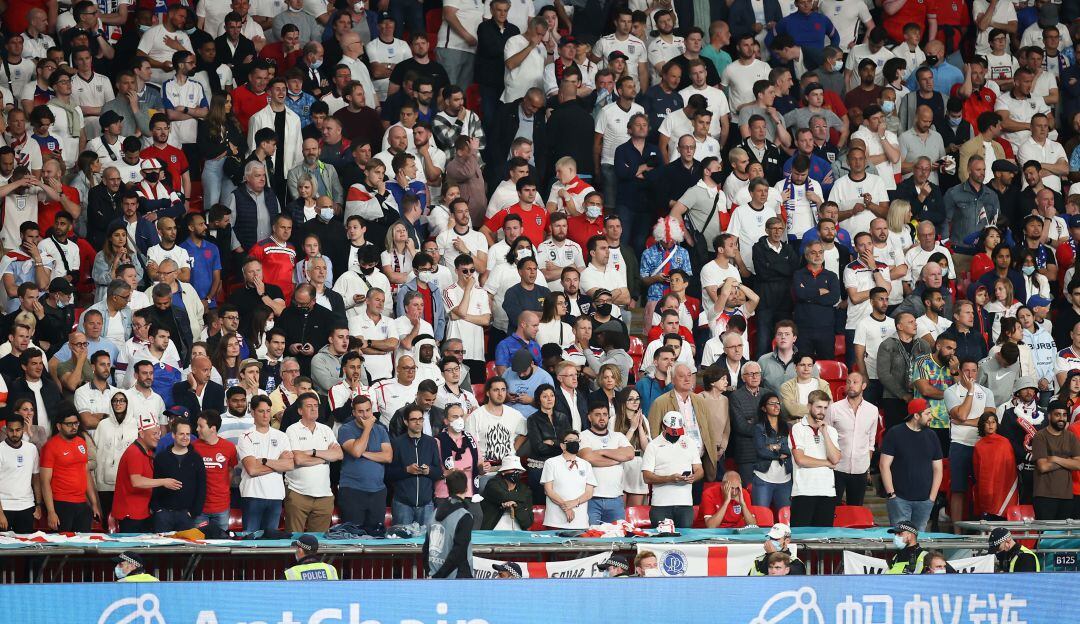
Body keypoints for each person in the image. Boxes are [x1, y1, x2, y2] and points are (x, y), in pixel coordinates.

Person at [880, 398, 944, 532]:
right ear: (916, 415)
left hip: (925, 500)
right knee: (900, 540)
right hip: (899, 499)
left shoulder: (932, 436)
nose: (931, 417)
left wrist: (932, 497)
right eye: (927, 413)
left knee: (918, 541)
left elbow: (938, 468)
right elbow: (884, 465)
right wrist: (891, 494)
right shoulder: (895, 433)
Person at [283, 393, 342, 532]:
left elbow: (339, 454)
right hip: (298, 493)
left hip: (324, 495)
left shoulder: (326, 430)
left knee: (319, 544)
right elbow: (298, 459)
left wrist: (313, 452)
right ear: (300, 411)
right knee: (294, 541)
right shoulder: (292, 430)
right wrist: (326, 457)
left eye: (316, 406)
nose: (314, 409)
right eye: (309, 406)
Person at [237, 395, 294, 532]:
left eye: (268, 411)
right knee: (250, 542)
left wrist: (264, 461)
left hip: (275, 495)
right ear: (252, 412)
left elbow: (289, 465)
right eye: (261, 411)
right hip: (252, 494)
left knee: (271, 543)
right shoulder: (245, 436)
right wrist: (278, 464)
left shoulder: (282, 436)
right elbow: (252, 469)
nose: (265, 415)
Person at [338, 395, 393, 533]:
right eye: (360, 411)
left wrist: (365, 454)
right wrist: (367, 428)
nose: (365, 415)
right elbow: (356, 451)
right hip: (352, 490)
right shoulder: (346, 429)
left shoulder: (380, 430)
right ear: (354, 413)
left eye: (368, 410)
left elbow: (388, 456)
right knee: (353, 536)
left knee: (377, 536)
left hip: (378, 491)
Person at [40, 409, 101, 532]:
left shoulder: (81, 443)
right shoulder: (50, 446)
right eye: (69, 424)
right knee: (62, 548)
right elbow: (44, 482)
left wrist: (94, 503)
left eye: (76, 423)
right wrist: (51, 511)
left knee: (84, 546)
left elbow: (85, 473)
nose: (74, 427)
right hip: (61, 504)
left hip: (82, 503)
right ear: (58, 426)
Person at [789, 390, 841, 527]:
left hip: (827, 492)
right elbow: (800, 459)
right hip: (804, 491)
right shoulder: (797, 428)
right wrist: (826, 463)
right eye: (818, 407)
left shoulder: (831, 431)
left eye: (825, 408)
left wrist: (825, 433)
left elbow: (835, 459)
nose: (822, 411)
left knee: (824, 541)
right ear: (809, 406)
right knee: (800, 540)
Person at [825, 371, 877, 507]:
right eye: (848, 382)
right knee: (831, 510)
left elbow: (871, 443)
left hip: (860, 470)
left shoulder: (872, 410)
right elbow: (825, 436)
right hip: (836, 468)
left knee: (855, 510)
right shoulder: (834, 409)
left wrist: (867, 469)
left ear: (863, 386)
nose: (850, 385)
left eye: (855, 382)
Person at [642, 412, 702, 528]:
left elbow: (699, 469)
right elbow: (646, 476)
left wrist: (694, 477)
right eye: (672, 433)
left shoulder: (690, 442)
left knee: (685, 541)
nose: (675, 436)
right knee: (662, 540)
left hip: (685, 503)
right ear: (663, 427)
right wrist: (669, 478)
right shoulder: (653, 446)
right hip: (661, 504)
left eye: (678, 432)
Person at [388, 403, 443, 527]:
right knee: (401, 544)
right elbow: (388, 473)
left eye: (420, 419)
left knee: (426, 544)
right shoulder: (397, 443)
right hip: (402, 504)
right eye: (414, 419)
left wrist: (428, 471)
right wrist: (407, 470)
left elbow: (439, 472)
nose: (418, 423)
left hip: (426, 504)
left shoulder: (431, 442)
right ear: (406, 422)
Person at [578, 401, 633, 524]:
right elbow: (588, 457)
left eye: (604, 414)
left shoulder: (618, 436)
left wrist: (601, 451)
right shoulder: (583, 436)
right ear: (589, 417)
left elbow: (629, 454)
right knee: (591, 538)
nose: (602, 418)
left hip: (616, 499)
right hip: (591, 499)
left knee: (618, 538)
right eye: (597, 414)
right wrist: (617, 458)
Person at [150, 418, 206, 532]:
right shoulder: (161, 458)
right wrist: (157, 509)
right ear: (173, 435)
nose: (185, 437)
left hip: (187, 516)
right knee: (161, 549)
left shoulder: (196, 458)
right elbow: (153, 484)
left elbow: (202, 487)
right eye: (181, 434)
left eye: (188, 434)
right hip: (163, 515)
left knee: (185, 549)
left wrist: (193, 512)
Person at [1030, 400, 1080, 520]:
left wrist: (1055, 458)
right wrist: (1068, 461)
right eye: (1057, 415)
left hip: (1067, 496)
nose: (1061, 418)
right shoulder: (1040, 436)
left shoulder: (1071, 436)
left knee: (1061, 538)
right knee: (1045, 536)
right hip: (1044, 495)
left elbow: (1078, 464)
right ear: (1049, 416)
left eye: (1064, 415)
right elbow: (1043, 467)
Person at [424, 469, 474, 578]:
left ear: (448, 488)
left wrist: (431, 573)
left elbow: (426, 547)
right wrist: (440, 576)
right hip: (457, 578)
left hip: (434, 574)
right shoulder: (464, 516)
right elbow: (459, 552)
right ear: (466, 488)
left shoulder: (435, 512)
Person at [972, 412, 1018, 519]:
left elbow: (1010, 468)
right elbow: (977, 471)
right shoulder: (979, 446)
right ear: (982, 425)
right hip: (986, 487)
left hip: (1003, 487)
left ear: (997, 424)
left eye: (993, 422)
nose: (990, 425)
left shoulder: (1004, 442)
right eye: (987, 422)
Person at [0, 415, 41, 533]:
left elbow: (36, 478)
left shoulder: (31, 449)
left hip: (27, 506)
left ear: (23, 429)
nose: (14, 433)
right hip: (5, 506)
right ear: (5, 429)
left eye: (18, 430)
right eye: (11, 430)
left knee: (25, 548)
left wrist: (38, 505)